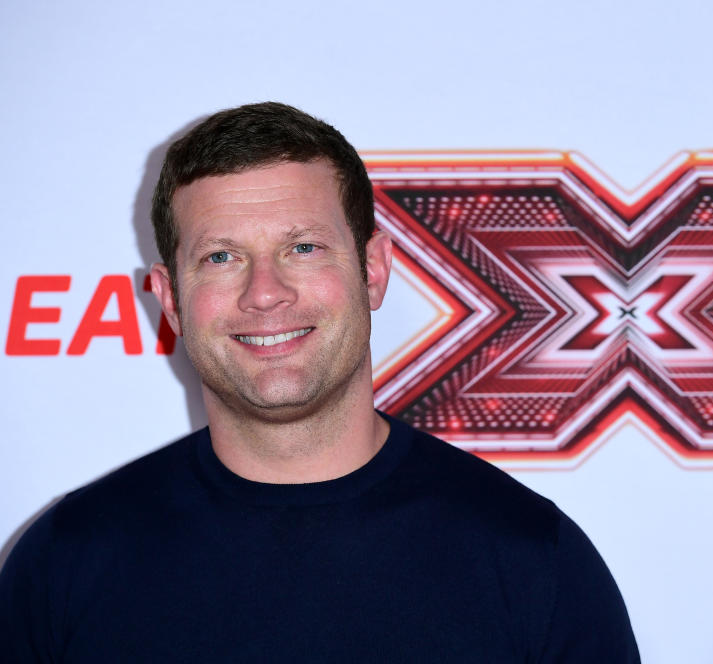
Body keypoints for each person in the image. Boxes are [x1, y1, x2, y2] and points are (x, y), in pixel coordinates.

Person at [0, 102, 641, 662]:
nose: (265, 293)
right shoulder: (64, 564)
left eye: (303, 248)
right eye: (221, 257)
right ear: (170, 300)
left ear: (374, 270)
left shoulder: (533, 560)